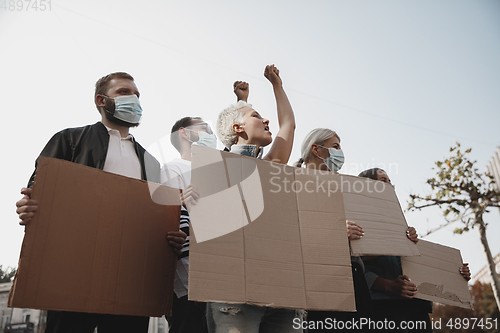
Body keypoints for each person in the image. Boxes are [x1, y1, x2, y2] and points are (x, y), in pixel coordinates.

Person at [15, 72, 187, 333]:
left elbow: (159, 217)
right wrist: (29, 206)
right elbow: (39, 191)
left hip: (130, 278)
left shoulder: (151, 163)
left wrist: (173, 236)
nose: (134, 99)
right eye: (124, 92)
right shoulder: (70, 140)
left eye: (137, 95)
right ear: (102, 100)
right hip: (72, 272)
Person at [207, 64, 296, 333]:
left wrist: (277, 86)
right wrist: (243, 104)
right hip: (233, 289)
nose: (266, 120)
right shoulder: (214, 170)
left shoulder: (271, 165)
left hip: (280, 286)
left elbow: (288, 124)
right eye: (258, 116)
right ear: (237, 126)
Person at [359, 167, 471, 333]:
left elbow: (418, 267)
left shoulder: (400, 223)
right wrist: (390, 286)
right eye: (383, 181)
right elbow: (355, 267)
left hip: (416, 310)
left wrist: (455, 275)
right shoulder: (359, 222)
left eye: (390, 181)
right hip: (384, 311)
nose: (390, 185)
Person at [161, 116, 215, 333]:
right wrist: (193, 286)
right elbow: (175, 227)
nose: (211, 133)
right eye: (204, 128)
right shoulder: (173, 169)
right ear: (184, 133)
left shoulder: (216, 171)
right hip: (190, 287)